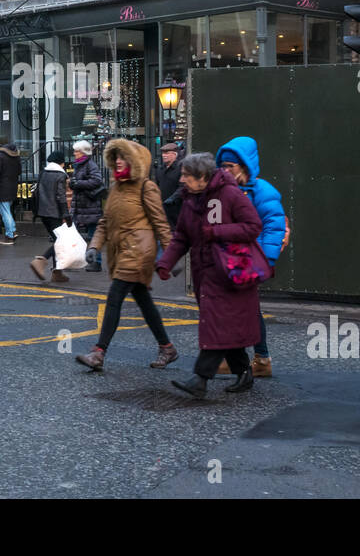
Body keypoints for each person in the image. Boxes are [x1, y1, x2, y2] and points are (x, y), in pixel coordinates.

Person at [155, 152, 264, 397]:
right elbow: (182, 236)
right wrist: (165, 263)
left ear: (203, 177)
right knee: (223, 325)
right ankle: (244, 372)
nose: (182, 180)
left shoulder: (230, 193)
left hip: (228, 272)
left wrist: (218, 232)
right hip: (205, 273)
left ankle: (200, 379)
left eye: (186, 176)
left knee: (216, 325)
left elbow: (253, 226)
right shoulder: (190, 199)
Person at [75, 139, 179, 371]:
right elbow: (104, 222)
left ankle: (99, 353)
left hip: (139, 252)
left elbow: (161, 223)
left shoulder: (146, 187)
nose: (119, 161)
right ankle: (167, 347)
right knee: (144, 301)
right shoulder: (116, 188)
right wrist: (93, 247)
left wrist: (171, 256)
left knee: (114, 299)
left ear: (135, 161)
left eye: (124, 157)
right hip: (121, 252)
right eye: (116, 157)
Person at [216, 136, 289, 379]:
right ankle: (241, 358)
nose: (225, 170)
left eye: (230, 167)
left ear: (244, 166)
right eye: (223, 166)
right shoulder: (224, 190)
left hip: (249, 260)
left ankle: (260, 359)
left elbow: (274, 227)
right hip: (228, 260)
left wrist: (267, 260)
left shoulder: (262, 191)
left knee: (246, 310)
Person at [29, 149, 71, 284]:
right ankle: (41, 260)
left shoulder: (43, 173)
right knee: (61, 241)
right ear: (62, 163)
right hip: (55, 213)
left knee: (57, 241)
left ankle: (57, 273)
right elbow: (61, 197)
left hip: (43, 212)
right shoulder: (61, 175)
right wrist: (66, 214)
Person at [68, 139, 105, 272]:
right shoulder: (80, 165)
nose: (74, 153)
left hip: (90, 206)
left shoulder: (90, 165)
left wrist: (78, 183)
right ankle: (74, 260)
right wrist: (74, 183)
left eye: (77, 151)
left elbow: (97, 181)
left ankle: (96, 262)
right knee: (75, 234)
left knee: (93, 234)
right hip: (81, 205)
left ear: (83, 152)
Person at [0, 137, 22, 246]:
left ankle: (9, 235)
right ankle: (13, 231)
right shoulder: (16, 155)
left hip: (3, 187)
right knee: (8, 210)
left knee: (5, 212)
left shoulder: (0, 156)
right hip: (13, 186)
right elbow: (19, 171)